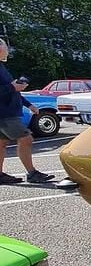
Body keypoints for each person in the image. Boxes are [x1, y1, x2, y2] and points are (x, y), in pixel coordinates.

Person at [0, 39, 55, 184]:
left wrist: (28, 105)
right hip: (5, 114)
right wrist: (13, 87)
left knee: (2, 143)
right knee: (26, 139)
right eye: (5, 46)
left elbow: (13, 90)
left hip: (7, 112)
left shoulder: (2, 67)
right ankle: (32, 174)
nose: (7, 50)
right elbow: (10, 89)